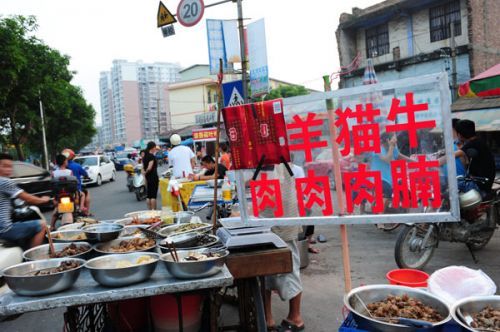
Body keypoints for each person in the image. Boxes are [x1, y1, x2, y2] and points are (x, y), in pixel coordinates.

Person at [260, 164, 305, 332]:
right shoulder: (261, 168)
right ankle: (268, 318)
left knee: (289, 269)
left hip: (284, 225)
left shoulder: (292, 169)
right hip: (269, 223)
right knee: (266, 271)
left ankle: (294, 317)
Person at [0, 153, 51, 248]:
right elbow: (27, 198)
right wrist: (43, 200)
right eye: (4, 166)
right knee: (43, 225)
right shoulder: (4, 181)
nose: (8, 170)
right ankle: (32, 257)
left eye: (10, 167)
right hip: (4, 230)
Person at [455, 119, 495, 194]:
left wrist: (435, 161)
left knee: (451, 186)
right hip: (483, 184)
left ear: (460, 134)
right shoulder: (479, 142)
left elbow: (452, 155)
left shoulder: (473, 144)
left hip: (478, 185)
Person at [62, 148, 91, 216]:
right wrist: (86, 176)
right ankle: (85, 211)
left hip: (61, 190)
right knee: (85, 193)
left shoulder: (57, 168)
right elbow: (85, 174)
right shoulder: (76, 166)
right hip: (75, 189)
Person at [50, 154, 74, 230]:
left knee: (55, 212)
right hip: (69, 196)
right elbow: (73, 185)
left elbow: (52, 187)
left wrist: (53, 198)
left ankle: (52, 226)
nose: (67, 161)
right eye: (66, 160)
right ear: (64, 162)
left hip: (58, 197)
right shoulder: (70, 172)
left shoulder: (54, 173)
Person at [143, 141, 159, 210]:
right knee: (153, 196)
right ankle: (154, 211)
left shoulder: (145, 156)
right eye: (155, 147)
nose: (155, 149)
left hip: (148, 177)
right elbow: (149, 168)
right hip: (153, 177)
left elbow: (143, 167)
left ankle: (149, 211)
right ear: (152, 148)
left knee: (148, 195)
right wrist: (146, 172)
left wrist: (145, 174)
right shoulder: (151, 156)